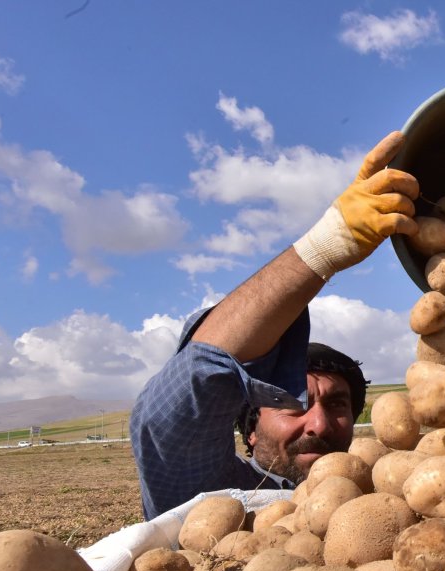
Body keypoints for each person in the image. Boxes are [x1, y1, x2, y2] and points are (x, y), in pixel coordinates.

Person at [130, 131, 419, 519]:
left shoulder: (383, 496)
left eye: (337, 405)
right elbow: (170, 416)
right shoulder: (219, 497)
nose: (318, 424)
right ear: (250, 431)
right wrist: (325, 247)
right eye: (293, 405)